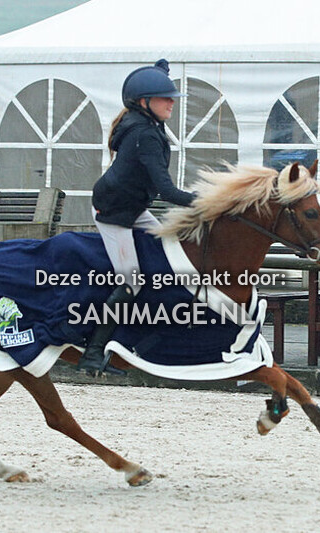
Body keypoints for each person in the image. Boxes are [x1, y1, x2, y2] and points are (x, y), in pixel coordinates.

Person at [78, 58, 195, 375]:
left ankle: (152, 339)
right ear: (144, 103)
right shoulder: (144, 134)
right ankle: (92, 353)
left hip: (134, 208)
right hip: (114, 214)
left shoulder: (149, 125)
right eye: (164, 97)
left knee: (170, 252)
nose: (172, 102)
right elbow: (168, 191)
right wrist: (208, 203)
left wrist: (161, 73)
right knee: (131, 282)